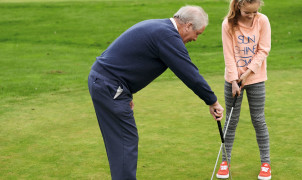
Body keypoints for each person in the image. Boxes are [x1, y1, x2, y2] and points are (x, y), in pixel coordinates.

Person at [87, 5, 224, 180]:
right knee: (124, 141)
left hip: (107, 83)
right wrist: (212, 101)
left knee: (121, 141)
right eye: (198, 33)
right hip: (109, 85)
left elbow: (126, 59)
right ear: (188, 25)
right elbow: (188, 72)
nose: (196, 39)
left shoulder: (160, 28)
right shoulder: (167, 36)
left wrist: (126, 92)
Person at [216, 0, 272, 179]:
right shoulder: (228, 24)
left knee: (258, 119)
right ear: (238, 7)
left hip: (255, 78)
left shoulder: (262, 21)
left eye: (255, 12)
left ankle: (266, 164)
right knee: (231, 122)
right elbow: (228, 54)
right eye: (248, 12)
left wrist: (247, 73)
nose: (252, 16)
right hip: (232, 80)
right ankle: (225, 162)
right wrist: (233, 80)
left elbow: (263, 50)